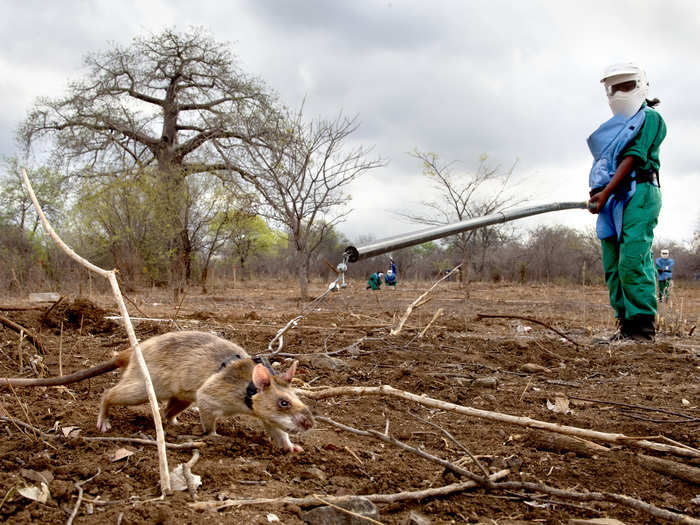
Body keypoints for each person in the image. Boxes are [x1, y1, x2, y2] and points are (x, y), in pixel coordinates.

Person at [587, 63, 666, 341]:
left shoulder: (650, 118)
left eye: (626, 85)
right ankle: (624, 326)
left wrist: (606, 192)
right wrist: (601, 193)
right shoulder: (614, 129)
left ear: (640, 86)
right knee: (613, 263)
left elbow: (634, 156)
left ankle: (642, 329)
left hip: (640, 191)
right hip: (613, 199)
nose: (620, 92)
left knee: (631, 259)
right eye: (615, 87)